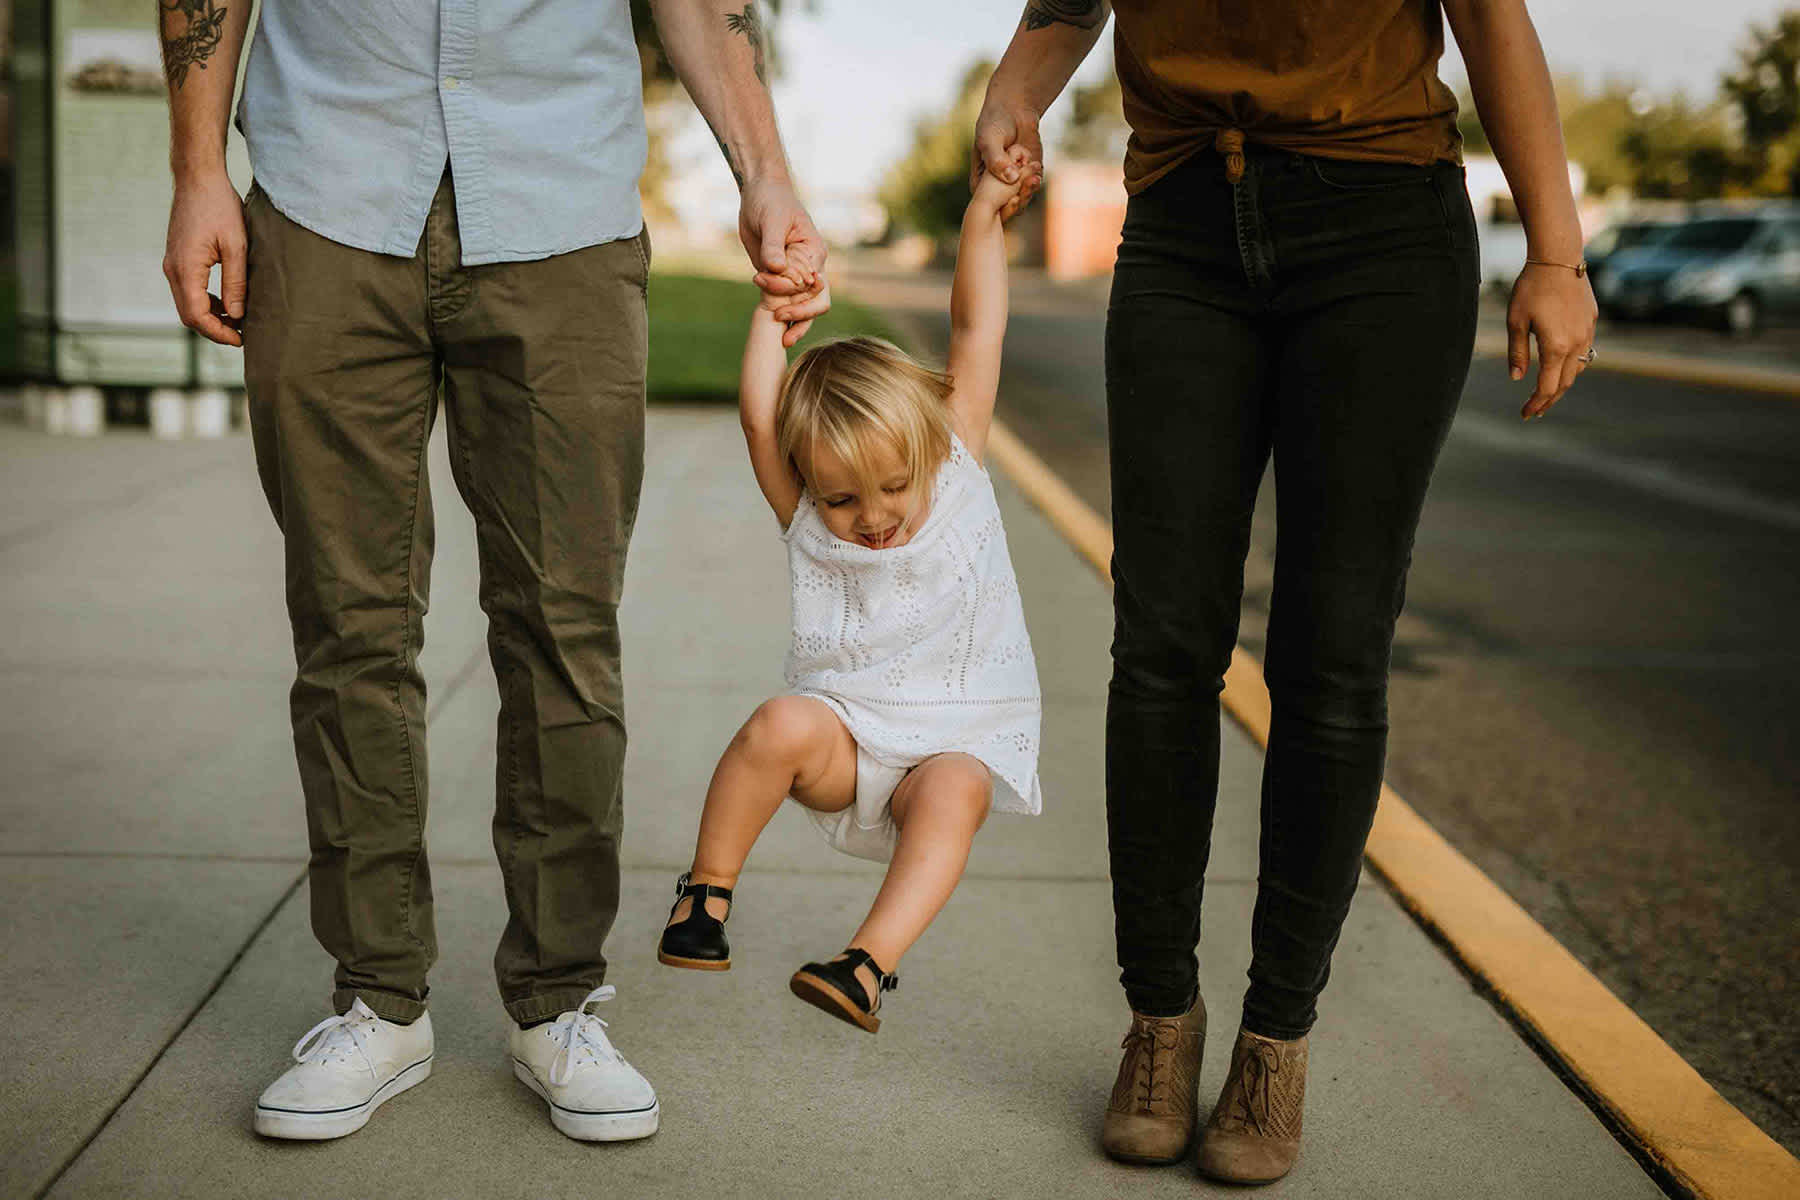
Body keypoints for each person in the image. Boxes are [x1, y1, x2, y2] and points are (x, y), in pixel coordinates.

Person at [158, 0, 829, 1142]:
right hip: (326, 191)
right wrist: (196, 170)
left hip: (560, 203)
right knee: (348, 627)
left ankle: (559, 999)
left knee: (565, 629)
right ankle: (379, 999)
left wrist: (763, 166)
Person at [970, 0, 1597, 1183]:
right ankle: (1160, 1023)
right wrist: (1014, 90)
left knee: (1333, 656)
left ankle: (1275, 1039)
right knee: (1160, 644)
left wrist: (1556, 255)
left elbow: (1491, 17)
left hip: (1380, 225)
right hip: (1183, 229)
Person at [655, 159, 1044, 1033]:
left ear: (930, 454)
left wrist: (984, 210)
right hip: (851, 738)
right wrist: (773, 315)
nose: (870, 518)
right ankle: (705, 900)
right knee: (776, 723)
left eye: (891, 489)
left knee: (958, 790)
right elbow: (761, 417)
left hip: (953, 737)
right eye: (841, 498)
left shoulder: (961, 466)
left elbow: (976, 330)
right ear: (812, 488)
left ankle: (865, 965)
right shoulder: (809, 516)